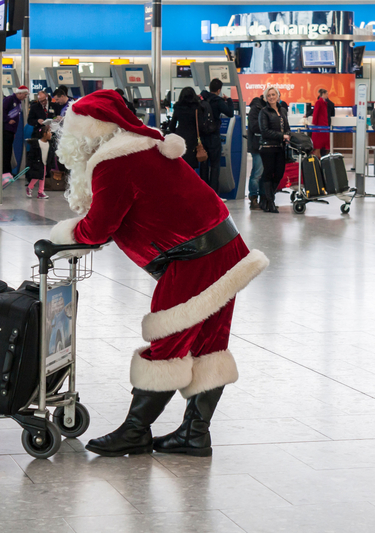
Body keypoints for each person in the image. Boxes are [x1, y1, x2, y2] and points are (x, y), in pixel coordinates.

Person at [49, 90, 269, 457]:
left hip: (193, 259)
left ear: (90, 132)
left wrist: (63, 235)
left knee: (168, 343)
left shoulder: (113, 163)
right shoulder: (145, 146)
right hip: (225, 247)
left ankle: (136, 431)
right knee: (209, 344)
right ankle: (194, 434)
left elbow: (98, 228)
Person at [258, 85, 290, 213]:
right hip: (267, 147)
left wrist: (288, 135)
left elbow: (287, 127)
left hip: (280, 147)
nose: (271, 97)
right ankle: (270, 202)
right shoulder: (264, 112)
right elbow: (264, 131)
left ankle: (266, 199)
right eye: (269, 95)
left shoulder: (282, 111)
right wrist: (282, 135)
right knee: (268, 173)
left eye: (273, 95)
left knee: (279, 174)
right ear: (266, 98)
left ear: (278, 96)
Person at [199, 78, 234, 193]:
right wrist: (228, 101)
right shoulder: (218, 101)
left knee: (203, 164)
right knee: (215, 165)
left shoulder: (201, 99)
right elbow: (230, 113)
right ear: (219, 90)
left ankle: (203, 191)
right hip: (213, 136)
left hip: (202, 136)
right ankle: (213, 192)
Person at [169, 87, 204, 169]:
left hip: (180, 137)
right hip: (192, 138)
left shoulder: (177, 108)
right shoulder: (197, 108)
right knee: (190, 165)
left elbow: (172, 125)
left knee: (180, 163)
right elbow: (201, 125)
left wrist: (175, 133)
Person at [2, 85, 29, 181]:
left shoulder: (18, 102)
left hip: (11, 131)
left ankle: (8, 172)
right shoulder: (9, 99)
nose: (25, 97)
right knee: (6, 152)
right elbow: (1, 111)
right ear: (20, 93)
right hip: (5, 130)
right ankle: (5, 172)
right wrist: (7, 120)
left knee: (9, 152)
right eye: (25, 95)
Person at [246, 93, 265, 210]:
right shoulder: (256, 108)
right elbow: (253, 126)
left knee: (263, 173)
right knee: (257, 173)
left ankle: (264, 198)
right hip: (257, 145)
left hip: (267, 145)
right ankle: (253, 197)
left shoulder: (270, 108)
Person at [25, 123, 53, 199]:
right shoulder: (37, 143)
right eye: (49, 132)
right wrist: (30, 164)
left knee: (42, 177)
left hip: (45, 164)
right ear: (44, 134)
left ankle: (40, 192)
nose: (51, 134)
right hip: (37, 163)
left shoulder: (49, 144)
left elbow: (50, 155)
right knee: (38, 176)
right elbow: (32, 155)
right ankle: (30, 187)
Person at [311, 88, 330, 157]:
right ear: (323, 94)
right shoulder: (319, 102)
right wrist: (314, 124)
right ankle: (317, 158)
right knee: (318, 145)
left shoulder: (324, 103)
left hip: (323, 126)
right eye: (327, 94)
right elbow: (315, 113)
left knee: (321, 144)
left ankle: (319, 158)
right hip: (319, 127)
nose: (327, 95)